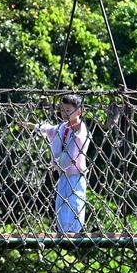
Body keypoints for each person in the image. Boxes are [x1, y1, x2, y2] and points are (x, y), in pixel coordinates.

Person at [21, 94, 90, 233]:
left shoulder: (80, 129)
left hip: (76, 175)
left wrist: (75, 128)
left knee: (75, 201)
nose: (64, 114)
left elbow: (80, 137)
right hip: (63, 174)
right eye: (62, 110)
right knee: (61, 202)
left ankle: (74, 230)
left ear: (79, 111)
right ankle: (62, 229)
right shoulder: (62, 127)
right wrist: (33, 126)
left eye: (68, 111)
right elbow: (49, 129)